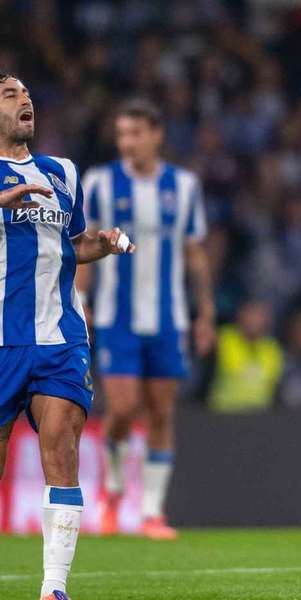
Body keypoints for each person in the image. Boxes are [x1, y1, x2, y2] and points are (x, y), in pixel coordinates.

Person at [0, 73, 134, 600]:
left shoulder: (62, 172)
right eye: (10, 94)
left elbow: (73, 243)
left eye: (27, 93)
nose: (24, 99)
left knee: (62, 450)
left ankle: (54, 588)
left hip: (60, 337)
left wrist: (102, 242)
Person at [77, 99, 216, 540]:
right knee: (120, 409)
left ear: (156, 134)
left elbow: (194, 253)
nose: (127, 143)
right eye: (121, 135)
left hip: (167, 317)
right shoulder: (99, 182)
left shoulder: (183, 186)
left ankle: (152, 512)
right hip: (117, 316)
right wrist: (80, 299)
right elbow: (84, 246)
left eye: (135, 133)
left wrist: (205, 312)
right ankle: (114, 490)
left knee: (160, 412)